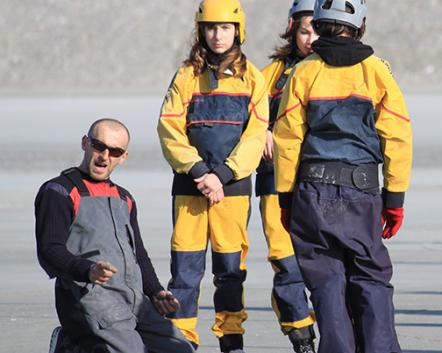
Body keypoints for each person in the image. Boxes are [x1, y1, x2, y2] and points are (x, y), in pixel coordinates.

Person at [273, 0, 412, 352]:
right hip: (362, 192)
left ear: (317, 23)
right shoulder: (376, 71)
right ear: (360, 25)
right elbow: (397, 136)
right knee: (371, 278)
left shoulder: (303, 72)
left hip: (312, 191)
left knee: (326, 281)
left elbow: (288, 139)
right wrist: (394, 199)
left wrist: (286, 199)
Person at [157, 0, 268, 351]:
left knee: (230, 270)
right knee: (185, 272)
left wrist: (221, 174)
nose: (217, 35)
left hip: (231, 190)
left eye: (224, 28)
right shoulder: (187, 75)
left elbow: (255, 136)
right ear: (200, 30)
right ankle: (182, 339)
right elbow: (169, 128)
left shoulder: (253, 78)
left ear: (238, 30)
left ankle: (231, 338)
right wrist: (201, 171)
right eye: (210, 28)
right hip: (191, 187)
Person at [35, 118, 195, 353]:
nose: (104, 156)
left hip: (134, 301)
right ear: (85, 143)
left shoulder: (124, 198)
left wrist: (155, 292)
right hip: (90, 300)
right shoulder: (60, 191)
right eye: (99, 146)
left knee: (181, 350)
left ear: (123, 157)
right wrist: (87, 270)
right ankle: (73, 345)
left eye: (115, 151)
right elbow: (50, 249)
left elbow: (138, 255)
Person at [256, 1, 319, 352]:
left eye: (317, 30)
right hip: (274, 180)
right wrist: (261, 129)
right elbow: (246, 112)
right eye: (304, 31)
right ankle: (301, 338)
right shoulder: (271, 73)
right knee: (285, 261)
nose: (310, 39)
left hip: (321, 183)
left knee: (326, 267)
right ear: (292, 30)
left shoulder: (335, 69)